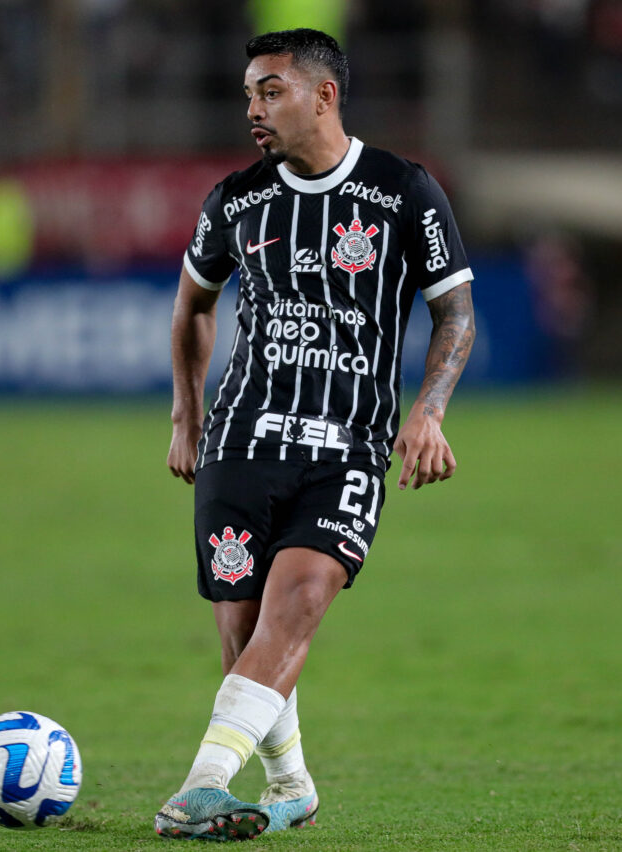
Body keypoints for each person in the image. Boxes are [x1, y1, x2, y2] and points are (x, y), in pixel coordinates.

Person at [156, 28, 476, 841]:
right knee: (242, 633)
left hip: (348, 449)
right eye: (248, 96)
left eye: (270, 92)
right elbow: (193, 304)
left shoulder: (403, 191)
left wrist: (429, 409)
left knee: (295, 605)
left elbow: (455, 312)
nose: (253, 111)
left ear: (323, 95)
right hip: (240, 441)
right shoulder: (236, 200)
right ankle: (291, 785)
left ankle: (200, 786)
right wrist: (186, 416)